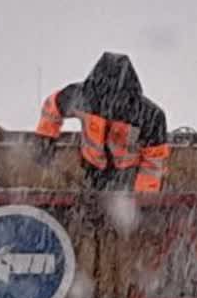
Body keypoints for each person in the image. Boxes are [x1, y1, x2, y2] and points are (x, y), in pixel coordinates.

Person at [35, 52, 171, 193]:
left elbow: (153, 163)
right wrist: (46, 140)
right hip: (92, 171)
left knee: (121, 211)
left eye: (116, 100)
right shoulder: (81, 98)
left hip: (128, 175)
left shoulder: (150, 116)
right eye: (103, 99)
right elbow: (52, 107)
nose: (108, 108)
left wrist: (142, 198)